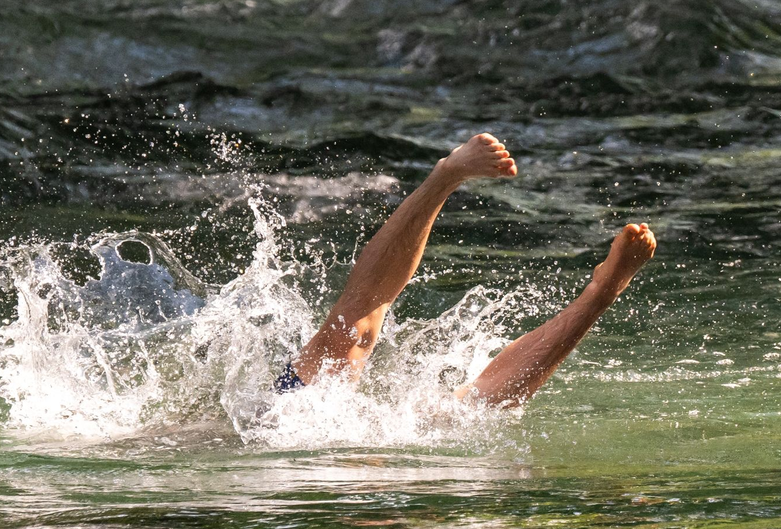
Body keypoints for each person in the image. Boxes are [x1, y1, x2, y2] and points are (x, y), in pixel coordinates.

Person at [275, 133, 657, 408]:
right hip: (348, 462)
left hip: (282, 427)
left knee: (346, 340)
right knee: (474, 410)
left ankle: (445, 176)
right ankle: (602, 294)